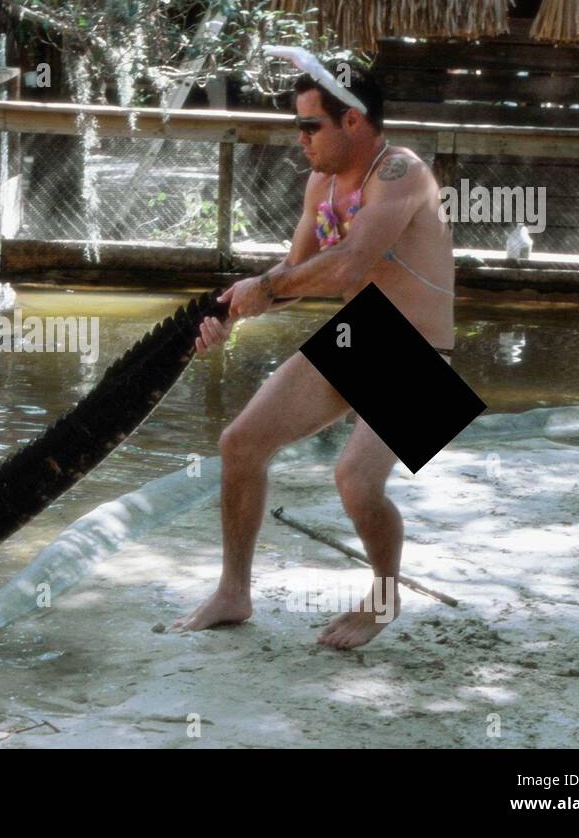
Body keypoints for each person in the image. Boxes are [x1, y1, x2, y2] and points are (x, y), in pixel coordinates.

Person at [172, 63, 455, 649]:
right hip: (360, 336)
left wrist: (268, 289)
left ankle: (383, 597)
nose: (299, 139)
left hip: (424, 355)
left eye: (310, 126)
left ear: (353, 120)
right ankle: (234, 591)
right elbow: (292, 278)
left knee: (354, 479)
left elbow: (350, 262)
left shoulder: (401, 171)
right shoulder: (318, 185)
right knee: (239, 444)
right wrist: (227, 315)